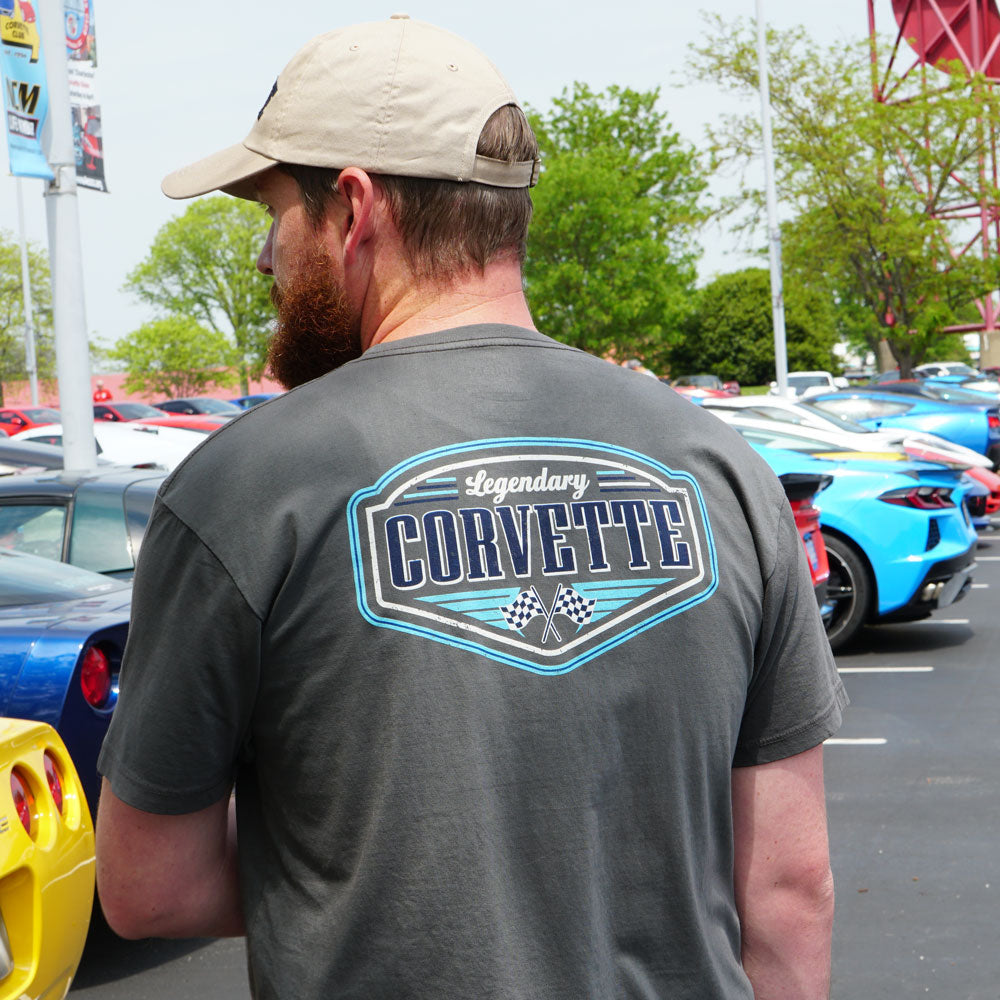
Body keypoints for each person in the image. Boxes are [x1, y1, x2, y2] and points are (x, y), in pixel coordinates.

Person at [95, 16, 847, 1000]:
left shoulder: (245, 487)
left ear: (354, 210)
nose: (267, 261)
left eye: (276, 215)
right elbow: (790, 885)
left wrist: (348, 837)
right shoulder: (720, 466)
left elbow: (148, 887)